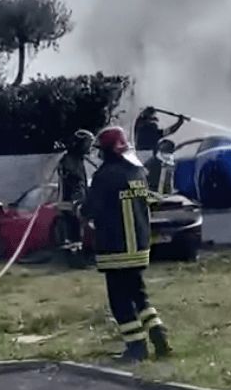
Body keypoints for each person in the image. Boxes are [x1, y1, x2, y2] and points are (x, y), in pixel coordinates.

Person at [81, 125, 172, 362]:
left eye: (101, 150)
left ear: (108, 151)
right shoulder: (137, 173)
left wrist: (78, 207)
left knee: (120, 301)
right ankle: (159, 335)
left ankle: (136, 348)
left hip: (115, 249)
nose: (99, 155)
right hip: (139, 247)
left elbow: (91, 210)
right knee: (139, 295)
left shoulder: (103, 177)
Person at [57, 130, 94, 242]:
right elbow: (76, 184)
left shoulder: (76, 159)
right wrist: (79, 202)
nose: (89, 148)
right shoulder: (70, 161)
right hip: (70, 206)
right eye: (88, 144)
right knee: (74, 237)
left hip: (73, 206)